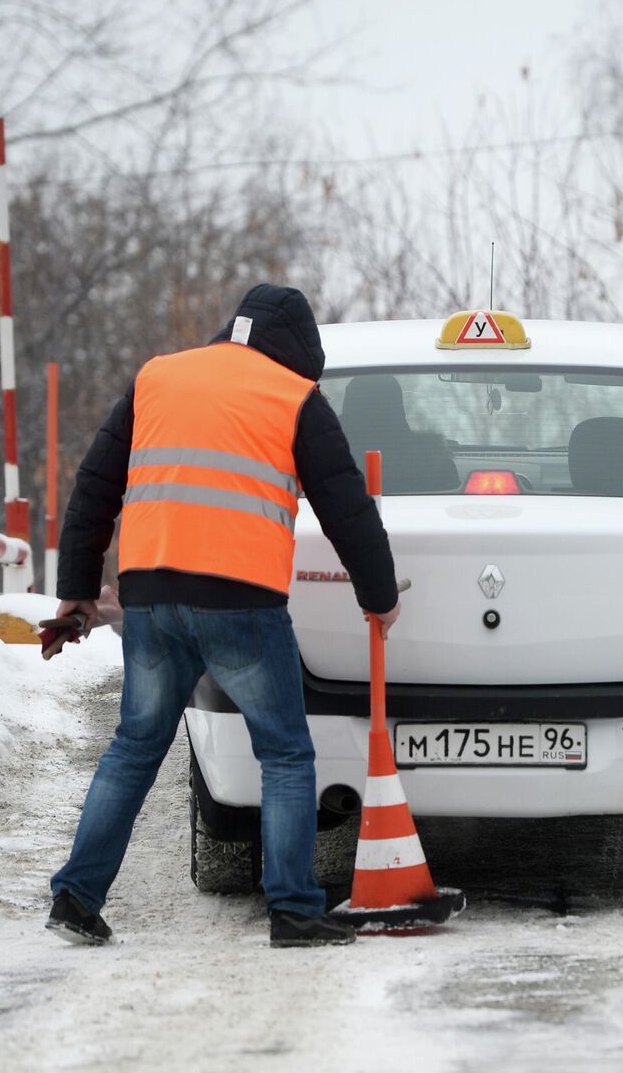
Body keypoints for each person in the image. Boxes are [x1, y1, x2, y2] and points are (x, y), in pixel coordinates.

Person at [45, 285, 399, 948]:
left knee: (133, 748)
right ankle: (294, 909)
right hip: (240, 599)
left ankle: (75, 897)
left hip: (151, 594)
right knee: (286, 753)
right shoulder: (296, 397)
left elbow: (95, 484)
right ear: (300, 350)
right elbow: (345, 505)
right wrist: (378, 595)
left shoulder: (158, 377)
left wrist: (77, 589)